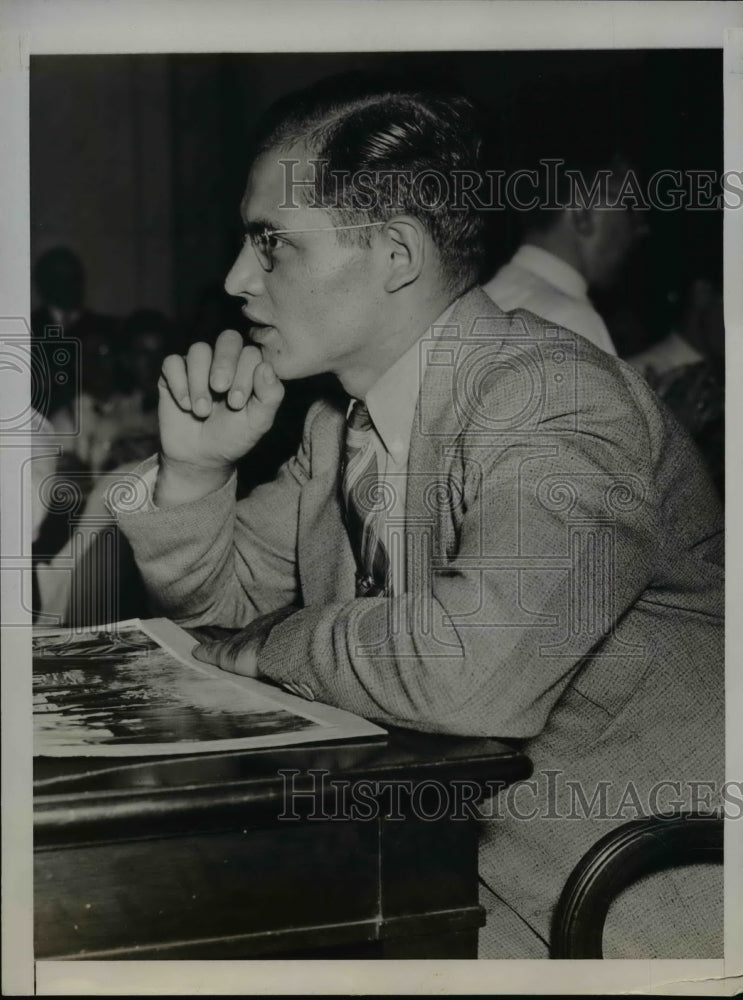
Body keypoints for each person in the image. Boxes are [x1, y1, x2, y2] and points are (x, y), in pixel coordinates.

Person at [112, 75, 723, 958]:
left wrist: (279, 643)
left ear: (396, 254)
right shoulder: (339, 425)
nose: (237, 279)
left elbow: (470, 670)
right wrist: (196, 474)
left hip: (615, 904)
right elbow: (221, 614)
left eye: (271, 242)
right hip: (438, 867)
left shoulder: (559, 400)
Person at [482, 156, 648, 355]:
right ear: (582, 212)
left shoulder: (485, 299)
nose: (641, 228)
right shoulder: (574, 323)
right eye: (630, 207)